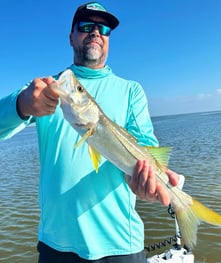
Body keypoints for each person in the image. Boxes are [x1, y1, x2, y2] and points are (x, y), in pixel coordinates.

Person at [0, 2, 179, 263]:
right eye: (86, 26)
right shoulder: (48, 88)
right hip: (55, 244)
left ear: (107, 39)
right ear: (71, 37)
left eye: (103, 28)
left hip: (120, 243)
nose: (96, 32)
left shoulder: (131, 90)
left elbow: (147, 147)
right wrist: (22, 104)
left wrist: (147, 182)